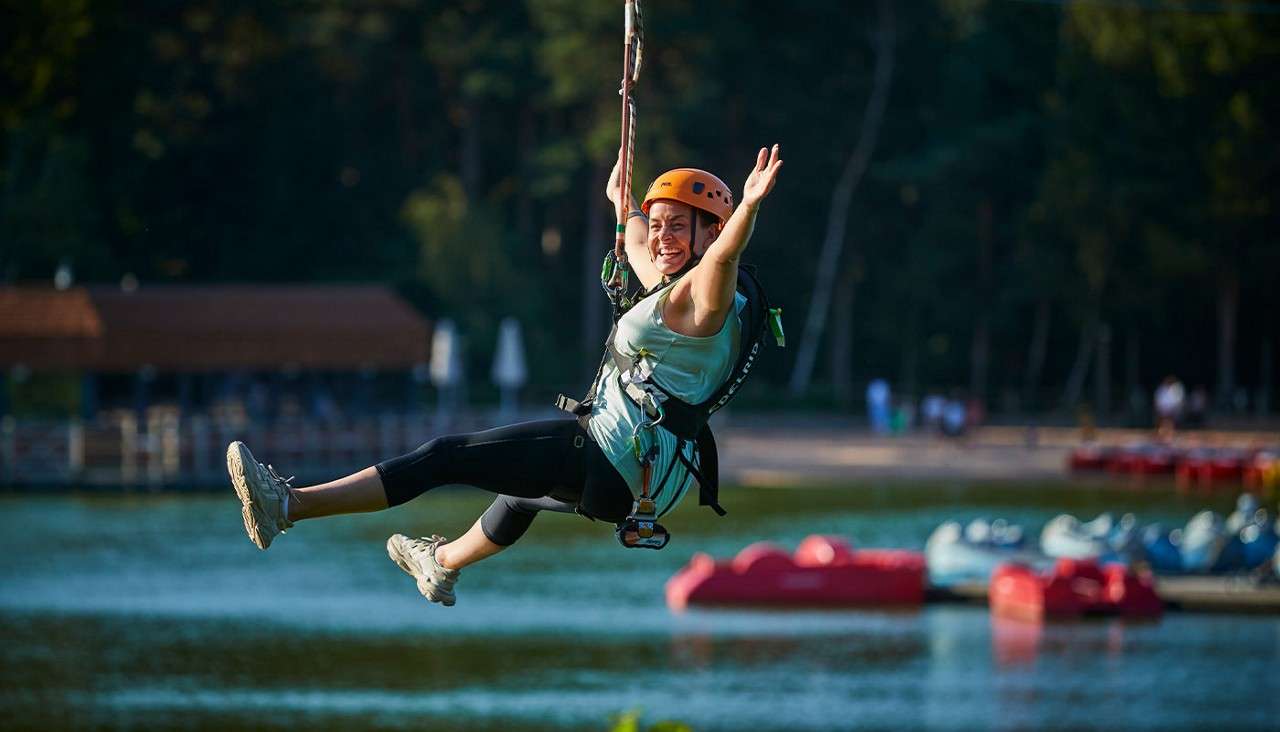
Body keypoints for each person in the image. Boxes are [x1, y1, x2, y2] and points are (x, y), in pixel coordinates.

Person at [227, 145, 784, 606]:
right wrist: (624, 205)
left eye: (679, 228)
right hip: (638, 486)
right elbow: (640, 248)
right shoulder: (675, 284)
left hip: (610, 456)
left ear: (712, 233)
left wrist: (747, 211)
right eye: (660, 225)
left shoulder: (708, 300)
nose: (663, 237)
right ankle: (441, 564)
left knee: (447, 454)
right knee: (517, 496)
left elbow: (723, 260)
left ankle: (290, 506)